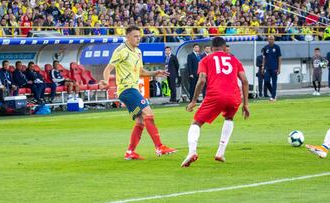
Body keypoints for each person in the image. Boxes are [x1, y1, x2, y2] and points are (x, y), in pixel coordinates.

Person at [101, 25, 177, 160]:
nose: (138, 39)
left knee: (141, 121)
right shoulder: (121, 51)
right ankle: (159, 147)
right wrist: (106, 82)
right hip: (126, 89)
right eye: (135, 36)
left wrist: (155, 72)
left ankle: (130, 152)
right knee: (149, 113)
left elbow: (141, 71)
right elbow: (108, 69)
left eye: (139, 36)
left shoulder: (138, 52)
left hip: (133, 89)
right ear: (127, 37)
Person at [181, 37, 250, 167]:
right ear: (225, 48)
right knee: (229, 118)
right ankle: (220, 152)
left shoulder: (206, 59)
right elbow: (245, 81)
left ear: (212, 49)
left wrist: (194, 100)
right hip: (234, 96)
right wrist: (246, 104)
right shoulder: (234, 60)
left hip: (216, 95)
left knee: (196, 122)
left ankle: (192, 152)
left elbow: (201, 80)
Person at [262, 35, 281, 101]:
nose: (271, 40)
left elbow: (279, 58)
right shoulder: (265, 48)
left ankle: (273, 97)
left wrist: (279, 68)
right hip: (267, 68)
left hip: (274, 68)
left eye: (272, 39)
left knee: (274, 82)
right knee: (266, 81)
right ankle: (273, 93)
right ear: (267, 40)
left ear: (274, 40)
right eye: (269, 39)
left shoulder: (277, 47)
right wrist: (263, 67)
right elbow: (264, 58)